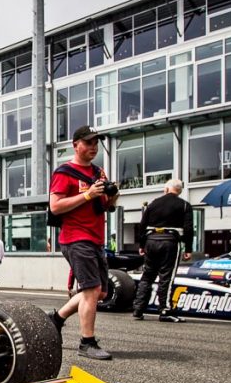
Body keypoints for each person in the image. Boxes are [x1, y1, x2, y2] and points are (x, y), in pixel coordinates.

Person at [47, 126, 119, 360]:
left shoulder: (99, 172)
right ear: (75, 145)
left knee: (100, 292)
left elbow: (106, 206)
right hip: (76, 238)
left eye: (96, 143)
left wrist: (112, 195)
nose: (93, 147)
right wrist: (87, 194)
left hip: (96, 237)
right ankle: (86, 343)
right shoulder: (64, 172)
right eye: (88, 143)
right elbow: (55, 206)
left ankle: (56, 319)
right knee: (91, 289)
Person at [132, 179, 193, 322]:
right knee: (167, 276)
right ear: (179, 191)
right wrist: (188, 248)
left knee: (147, 275)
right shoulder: (184, 205)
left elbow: (142, 225)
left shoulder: (153, 203)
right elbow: (189, 228)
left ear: (166, 189)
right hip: (170, 241)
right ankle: (165, 310)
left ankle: (138, 309)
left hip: (151, 241)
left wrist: (141, 245)